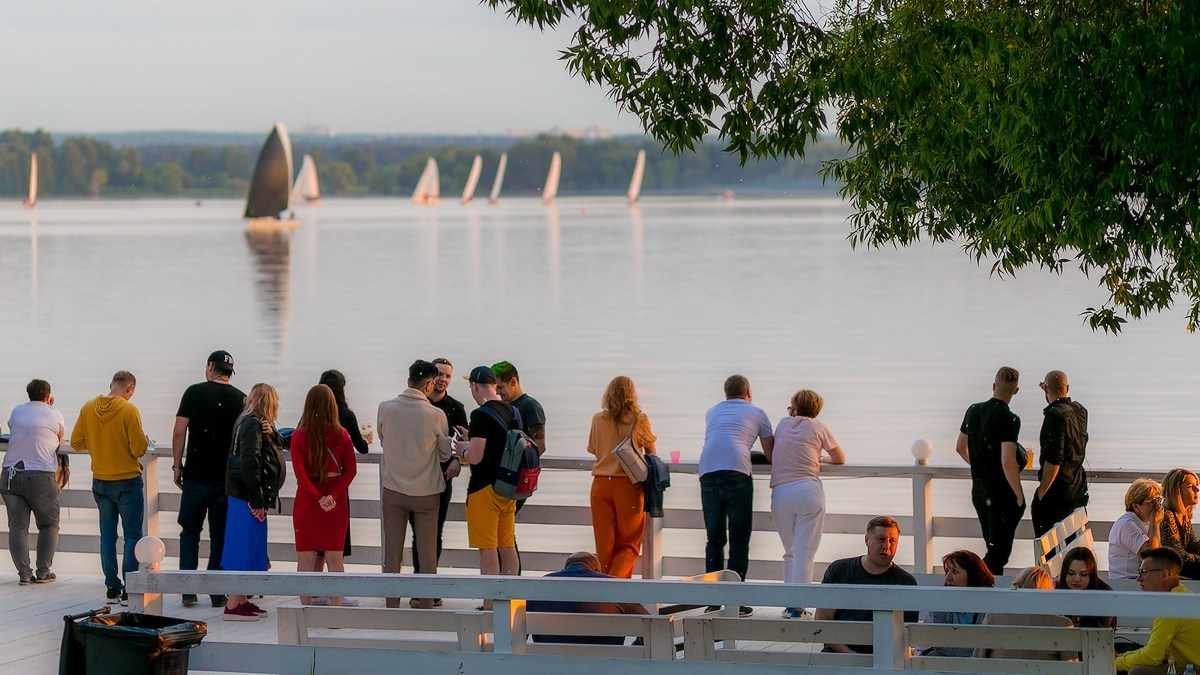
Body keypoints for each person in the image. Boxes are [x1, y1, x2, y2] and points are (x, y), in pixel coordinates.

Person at [377, 360, 460, 609]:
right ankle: (426, 603)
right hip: (427, 491)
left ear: (409, 381)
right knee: (427, 552)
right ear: (428, 385)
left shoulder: (385, 408)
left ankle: (392, 603)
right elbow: (444, 454)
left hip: (393, 488)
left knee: (392, 551)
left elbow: (382, 438)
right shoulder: (436, 415)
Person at [172, 350, 245, 608]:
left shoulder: (193, 392)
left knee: (189, 531)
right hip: (225, 479)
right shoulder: (241, 399)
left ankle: (187, 589)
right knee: (220, 535)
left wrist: (177, 465)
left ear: (210, 367)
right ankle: (216, 591)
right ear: (229, 373)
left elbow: (179, 431)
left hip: (195, 476)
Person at [69, 370, 148, 605]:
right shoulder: (129, 410)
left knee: (107, 536)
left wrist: (99, 444)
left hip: (101, 481)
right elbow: (138, 449)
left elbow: (76, 442)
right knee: (132, 535)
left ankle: (112, 588)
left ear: (111, 384)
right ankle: (129, 589)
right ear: (130, 388)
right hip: (127, 481)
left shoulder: (88, 407)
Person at [766, 387, 843, 611]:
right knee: (805, 553)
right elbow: (840, 457)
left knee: (790, 552)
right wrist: (822, 459)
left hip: (781, 493)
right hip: (808, 492)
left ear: (794, 407)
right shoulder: (818, 427)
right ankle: (798, 608)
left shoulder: (782, 424)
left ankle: (789, 604)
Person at [698, 374, 774, 584]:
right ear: (749, 393)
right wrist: (751, 454)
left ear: (726, 393)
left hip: (708, 470)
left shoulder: (712, 411)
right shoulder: (757, 412)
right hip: (737, 471)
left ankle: (712, 594)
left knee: (714, 539)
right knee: (739, 539)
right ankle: (735, 594)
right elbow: (771, 455)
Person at [220, 383, 285, 621]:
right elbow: (249, 461)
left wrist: (272, 433)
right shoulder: (251, 425)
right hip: (246, 497)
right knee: (242, 547)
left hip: (243, 494)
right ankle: (233, 604)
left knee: (249, 546)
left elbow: (279, 443)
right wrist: (257, 499)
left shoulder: (249, 421)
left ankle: (241, 599)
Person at [290, 384, 358, 605]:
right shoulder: (342, 434)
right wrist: (333, 496)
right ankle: (336, 611)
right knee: (335, 561)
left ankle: (305, 610)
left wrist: (318, 497)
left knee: (305, 561)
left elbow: (300, 475)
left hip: (308, 503)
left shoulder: (299, 436)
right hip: (335, 504)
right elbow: (351, 471)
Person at [955, 366, 1025, 575]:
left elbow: (960, 447)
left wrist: (979, 464)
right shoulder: (1010, 418)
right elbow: (1008, 462)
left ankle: (980, 581)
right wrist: (1019, 495)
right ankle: (974, 578)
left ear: (994, 386)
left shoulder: (973, 410)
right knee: (998, 554)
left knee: (994, 547)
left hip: (980, 491)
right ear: (1016, 391)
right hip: (1001, 494)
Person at [587, 375, 658, 579]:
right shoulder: (639, 419)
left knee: (604, 547)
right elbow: (651, 452)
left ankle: (604, 587)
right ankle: (612, 588)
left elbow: (593, 448)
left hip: (600, 485)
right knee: (629, 545)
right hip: (628, 485)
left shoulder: (598, 419)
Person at [410, 357, 468, 603]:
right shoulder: (416, 404)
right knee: (418, 533)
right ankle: (418, 585)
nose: (443, 379)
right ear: (429, 379)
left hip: (443, 478)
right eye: (440, 374)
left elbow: (466, 442)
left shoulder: (456, 408)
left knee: (435, 533)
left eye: (448, 375)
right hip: (417, 478)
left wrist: (458, 461)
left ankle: (431, 586)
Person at [816, 516, 918, 654]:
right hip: (838, 654)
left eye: (892, 541)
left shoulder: (906, 582)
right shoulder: (839, 570)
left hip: (885, 657)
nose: (886, 546)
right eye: (881, 539)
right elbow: (823, 620)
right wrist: (849, 655)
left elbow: (906, 636)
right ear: (867, 540)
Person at [462, 366, 519, 607]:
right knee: (507, 547)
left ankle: (490, 605)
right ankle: (511, 601)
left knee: (487, 549)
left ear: (475, 386)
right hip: (508, 488)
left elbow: (476, 456)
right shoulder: (513, 411)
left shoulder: (480, 414)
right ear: (494, 385)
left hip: (484, 489)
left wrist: (462, 451)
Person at [2, 379, 66, 585]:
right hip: (40, 475)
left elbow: (16, 428)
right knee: (49, 524)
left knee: (17, 527)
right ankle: (43, 572)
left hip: (10, 474)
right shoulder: (54, 413)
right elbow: (60, 435)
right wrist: (50, 407)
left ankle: (24, 574)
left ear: (29, 394)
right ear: (48, 396)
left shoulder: (17, 411)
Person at [491, 360, 546, 575]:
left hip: (517, 480)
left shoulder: (530, 407)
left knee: (504, 535)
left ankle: (511, 581)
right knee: (500, 534)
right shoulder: (505, 406)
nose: (498, 392)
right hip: (502, 479)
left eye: (501, 387)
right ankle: (504, 581)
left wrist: (514, 465)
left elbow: (539, 445)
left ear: (513, 381)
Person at [527, 551, 650, 645]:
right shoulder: (617, 588)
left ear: (563, 570)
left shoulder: (538, 587)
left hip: (549, 665)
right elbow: (651, 630)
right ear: (597, 570)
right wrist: (633, 650)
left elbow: (517, 634)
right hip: (606, 665)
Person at [1114, 548, 1200, 674]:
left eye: (1143, 572)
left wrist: (1114, 662)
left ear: (1164, 575)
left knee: (1138, 672)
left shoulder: (1170, 606)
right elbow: (1156, 652)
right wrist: (1121, 657)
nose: (1139, 578)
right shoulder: (1180, 597)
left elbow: (1152, 657)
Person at [1032, 370, 1089, 536]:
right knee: (1072, 543)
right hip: (1077, 490)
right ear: (1067, 388)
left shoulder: (1054, 415)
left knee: (1046, 543)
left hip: (1057, 496)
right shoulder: (1080, 411)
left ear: (1046, 388)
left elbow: (1054, 460)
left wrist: (1041, 492)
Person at [973, 567, 1075, 661]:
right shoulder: (1063, 624)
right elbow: (1071, 667)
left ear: (1016, 587)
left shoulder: (993, 617)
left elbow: (977, 660)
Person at [917, 550, 994, 657]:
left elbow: (991, 643)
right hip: (949, 660)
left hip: (983, 662)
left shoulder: (992, 600)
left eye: (955, 571)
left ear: (972, 575)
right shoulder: (941, 600)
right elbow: (937, 641)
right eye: (946, 571)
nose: (948, 577)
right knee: (932, 656)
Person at [1109, 478, 1163, 580]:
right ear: (1136, 506)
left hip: (1142, 579)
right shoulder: (1126, 524)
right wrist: (1155, 523)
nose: (1157, 506)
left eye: (1159, 501)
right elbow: (1151, 556)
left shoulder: (1144, 522)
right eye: (1152, 502)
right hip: (1127, 582)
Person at [1055, 546, 1117, 629]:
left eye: (1083, 574)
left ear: (1091, 575)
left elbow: (1096, 632)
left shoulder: (1105, 596)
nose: (1077, 579)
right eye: (1071, 573)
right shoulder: (1055, 591)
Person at [1158, 469, 1200, 578]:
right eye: (1190, 487)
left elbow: (1192, 545)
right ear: (1176, 491)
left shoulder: (1183, 515)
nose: (1197, 489)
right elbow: (1176, 554)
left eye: (1196, 485)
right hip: (1172, 570)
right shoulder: (1166, 516)